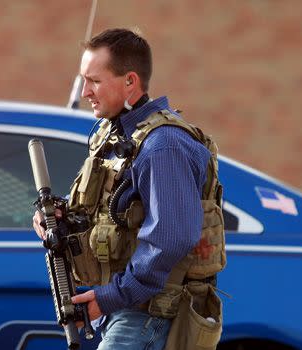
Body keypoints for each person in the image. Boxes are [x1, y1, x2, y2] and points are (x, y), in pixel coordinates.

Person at [33, 28, 225, 349]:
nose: (85, 92)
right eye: (84, 80)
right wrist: (53, 214)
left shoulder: (163, 145)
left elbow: (171, 237)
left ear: (129, 82)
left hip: (147, 314)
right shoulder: (116, 137)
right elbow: (104, 207)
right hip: (124, 310)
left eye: (94, 80)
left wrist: (110, 297)